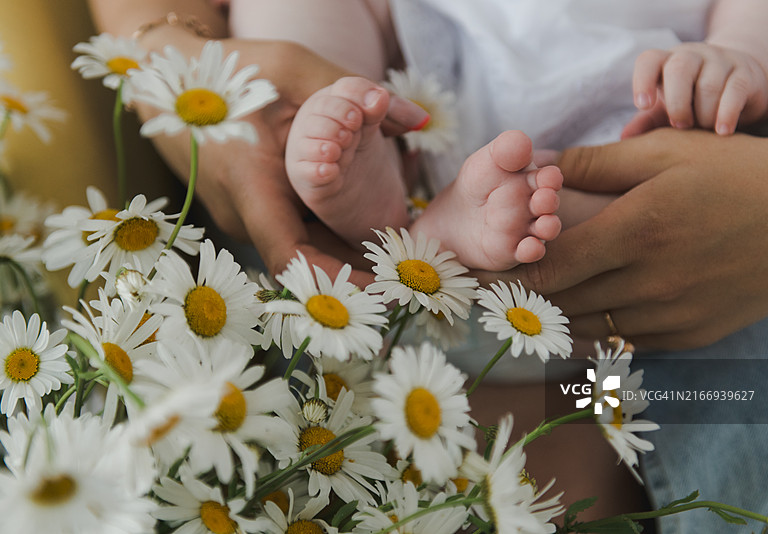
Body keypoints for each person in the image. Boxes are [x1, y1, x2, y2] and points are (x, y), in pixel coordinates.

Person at [88, 1, 768, 531]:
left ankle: (452, 226)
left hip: (619, 146)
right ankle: (365, 174)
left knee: (642, 184)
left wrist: (736, 53)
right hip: (414, 95)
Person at [235, 0, 768, 273]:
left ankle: (458, 227)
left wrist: (736, 52)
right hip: (430, 42)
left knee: (644, 204)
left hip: (620, 97)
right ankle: (365, 146)